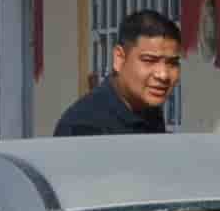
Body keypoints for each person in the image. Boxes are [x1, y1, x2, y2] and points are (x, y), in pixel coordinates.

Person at [54, 9, 184, 137]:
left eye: (172, 63)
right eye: (149, 60)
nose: (163, 75)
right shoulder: (83, 127)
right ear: (119, 58)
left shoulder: (149, 110)